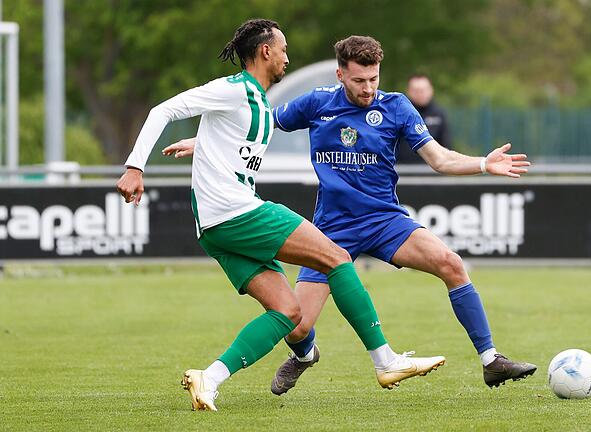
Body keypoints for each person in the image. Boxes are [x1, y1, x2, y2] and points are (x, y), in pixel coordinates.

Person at [164, 35, 535, 396]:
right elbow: (258, 122)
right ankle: (305, 355)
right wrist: (204, 142)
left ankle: (491, 360)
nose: (368, 88)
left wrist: (484, 163)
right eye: (359, 80)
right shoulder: (316, 102)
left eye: (374, 79)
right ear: (340, 75)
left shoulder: (397, 107)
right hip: (332, 228)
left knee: (450, 263)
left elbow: (440, 159)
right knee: (296, 324)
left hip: (385, 220)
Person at [117, 21, 444, 412]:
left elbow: (231, 136)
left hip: (213, 227)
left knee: (288, 312)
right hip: (236, 211)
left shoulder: (255, 102)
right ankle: (385, 361)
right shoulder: (234, 89)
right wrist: (135, 167)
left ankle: (210, 378)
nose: (288, 57)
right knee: (336, 257)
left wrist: (200, 142)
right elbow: (163, 110)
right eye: (284, 49)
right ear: (266, 52)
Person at [396, 74, 452, 164]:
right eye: (416, 90)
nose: (420, 93)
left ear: (431, 90)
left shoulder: (439, 114)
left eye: (423, 90)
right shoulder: (399, 114)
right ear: (408, 91)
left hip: (432, 172)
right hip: (402, 171)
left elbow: (446, 145)